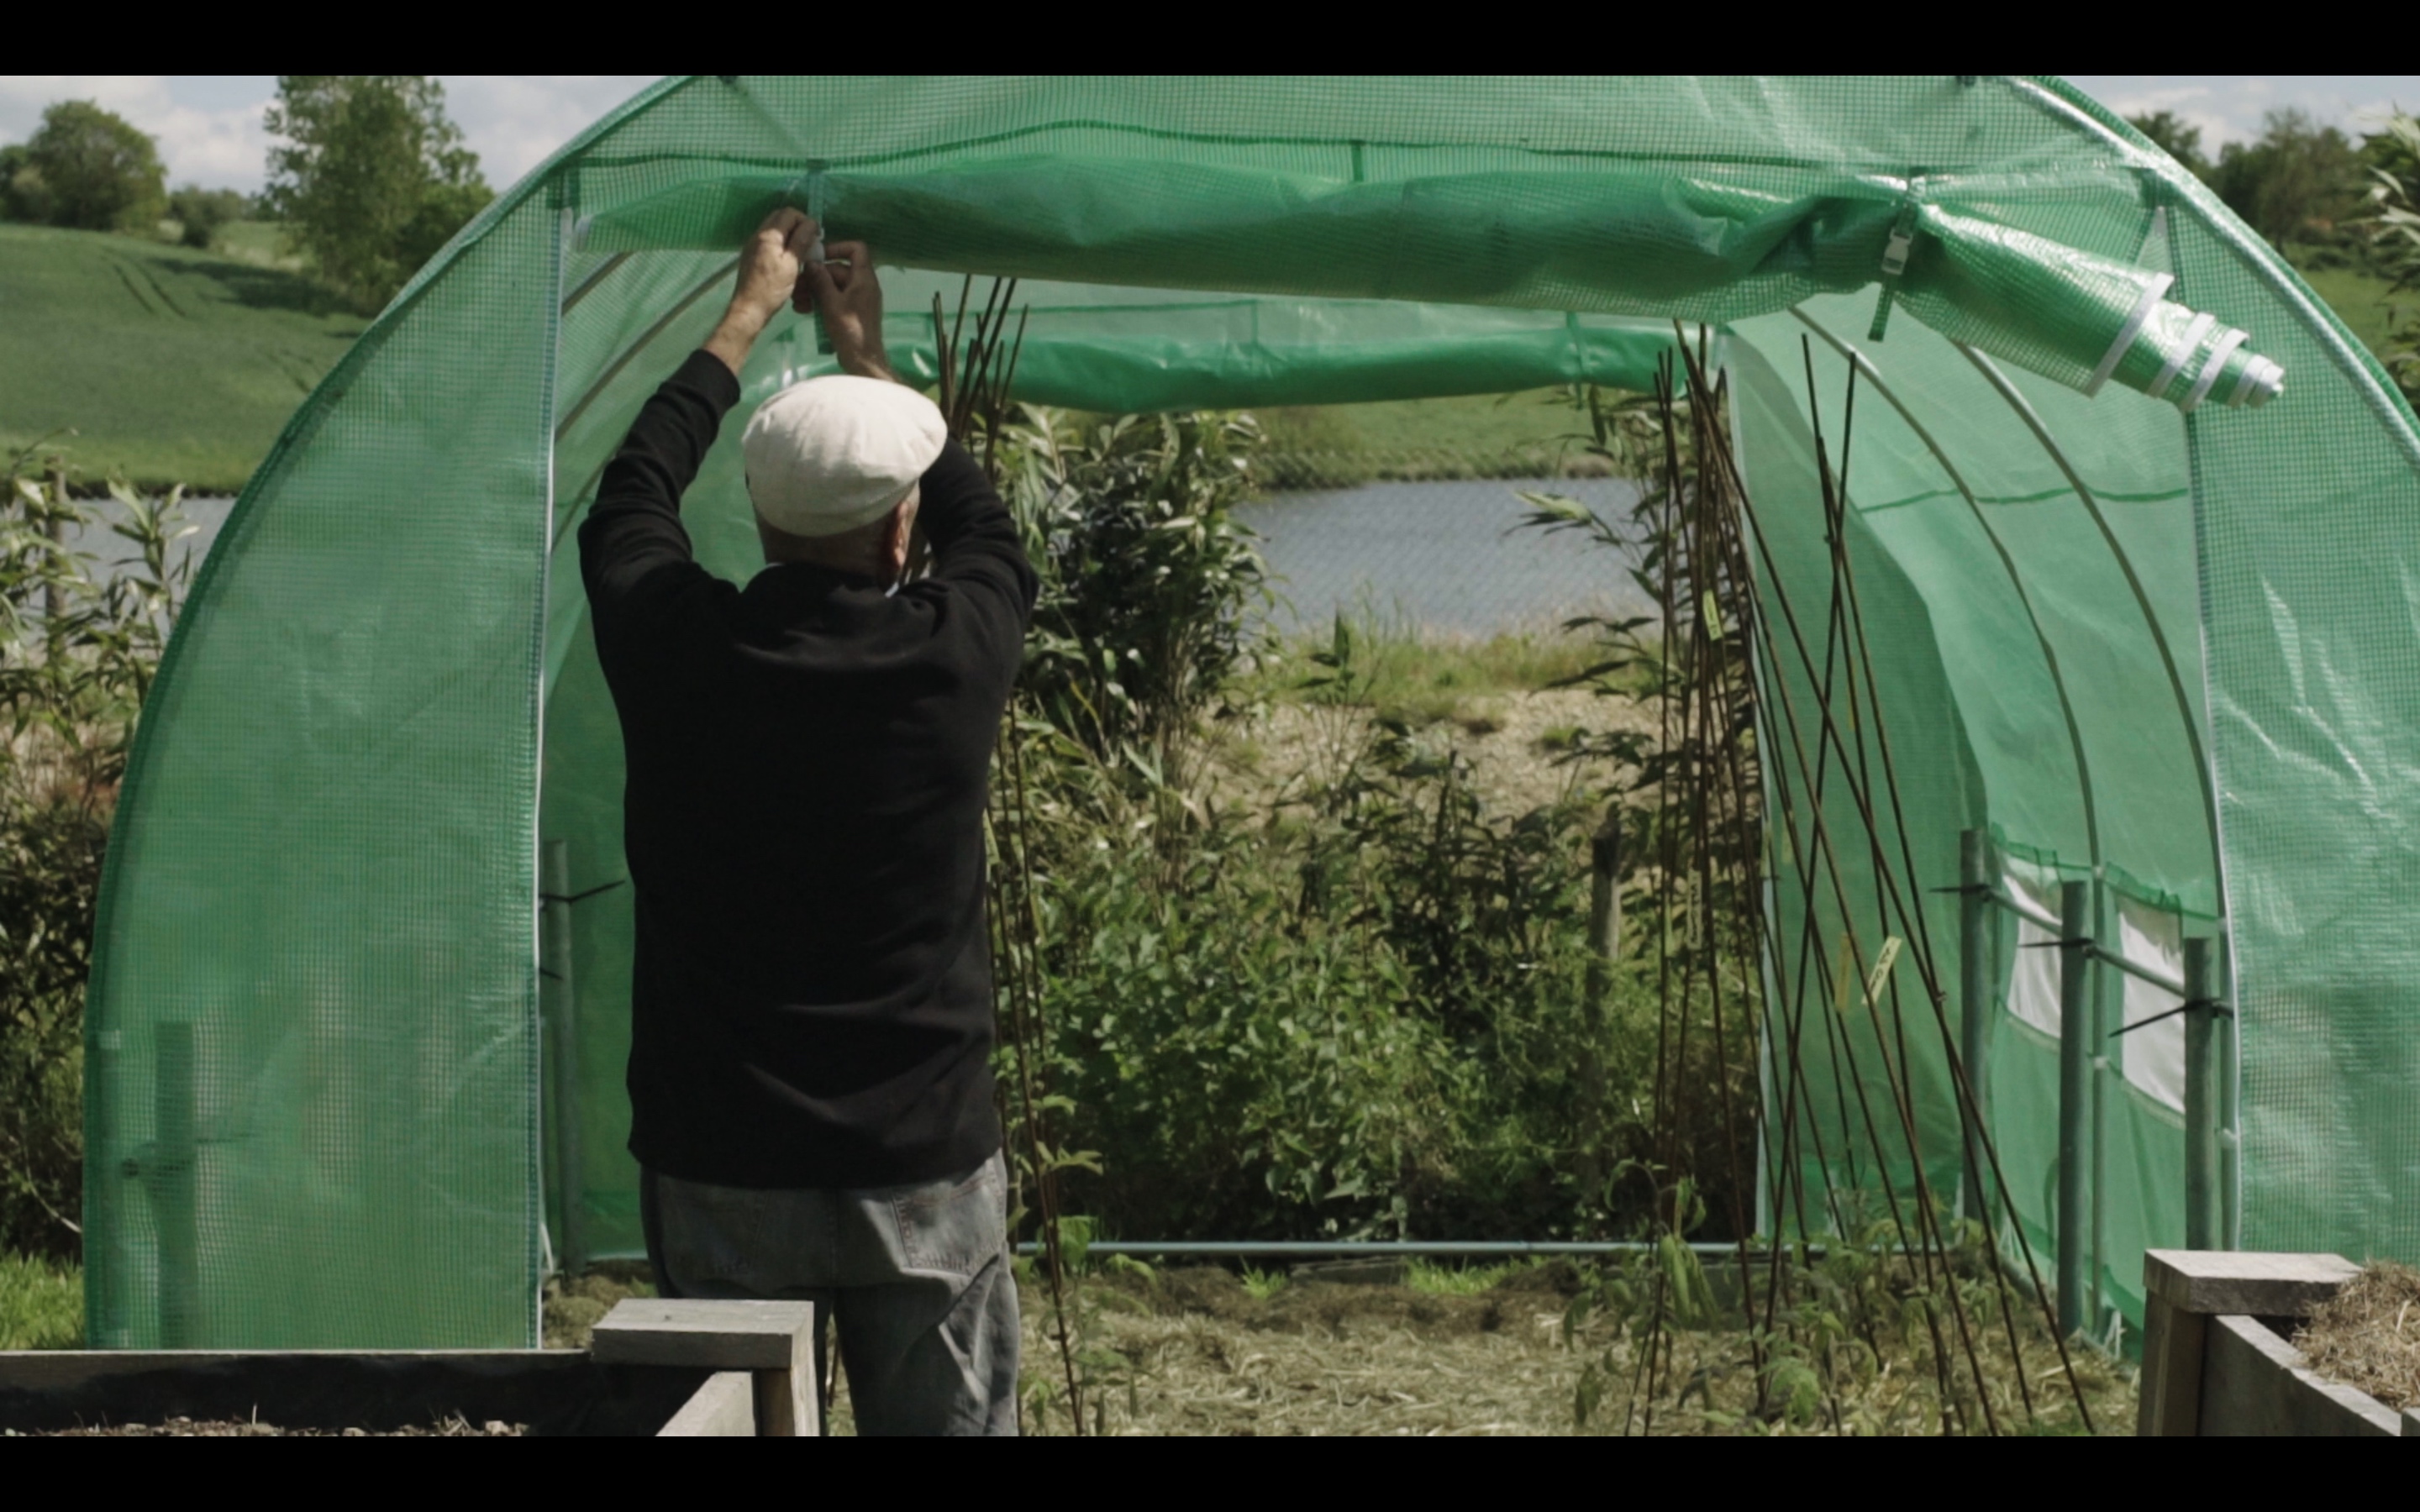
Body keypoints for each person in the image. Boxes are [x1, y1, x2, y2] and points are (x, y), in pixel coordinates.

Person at [579, 208, 1037, 1435]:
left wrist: (743, 313)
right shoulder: (955, 658)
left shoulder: (683, 651)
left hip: (724, 1151)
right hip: (923, 1158)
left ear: (765, 518)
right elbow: (985, 527)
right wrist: (863, 349)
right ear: (902, 532)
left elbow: (629, 498)